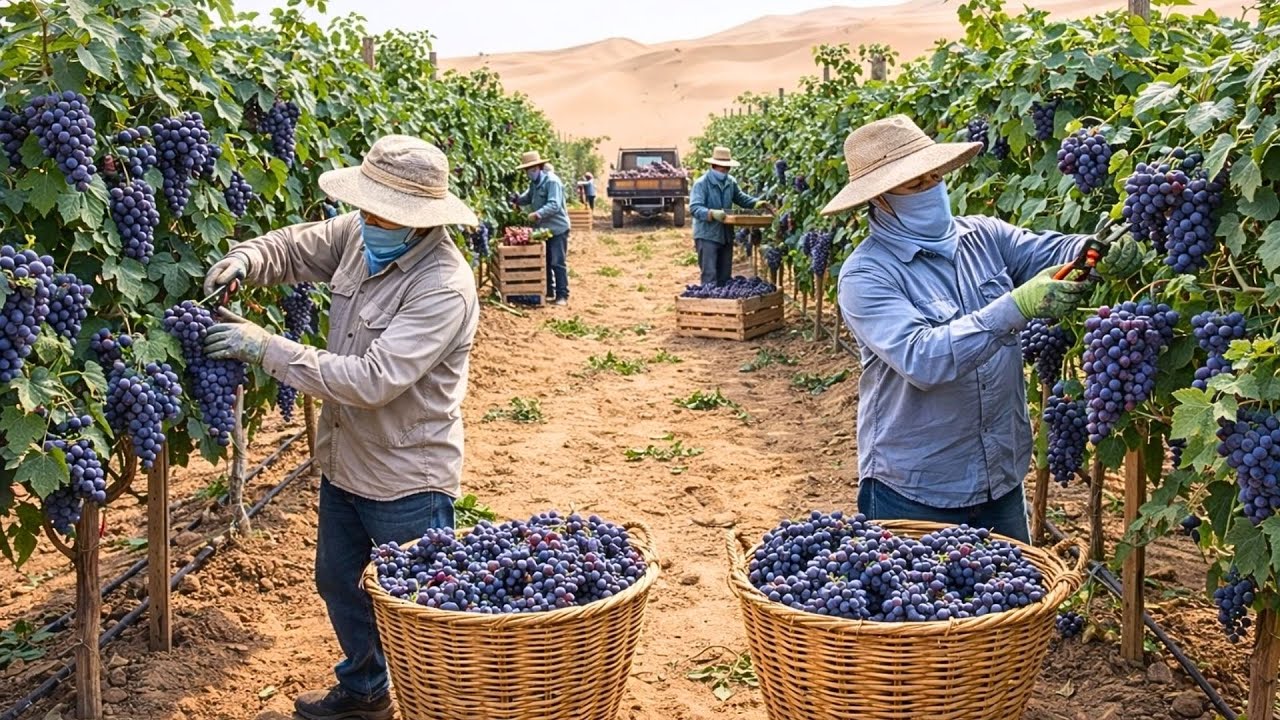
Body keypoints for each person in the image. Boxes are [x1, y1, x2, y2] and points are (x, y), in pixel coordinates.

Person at [200, 135, 481, 720]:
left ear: (417, 219)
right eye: (367, 206)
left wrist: (264, 347)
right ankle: (366, 691)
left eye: (383, 212)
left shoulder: (443, 286)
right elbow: (296, 248)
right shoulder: (360, 233)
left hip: (408, 474)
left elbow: (373, 380)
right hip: (344, 456)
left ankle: (443, 704)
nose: (368, 219)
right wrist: (248, 259)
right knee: (339, 582)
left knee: (420, 605)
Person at [821, 115, 1142, 543]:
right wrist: (1017, 305)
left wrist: (1096, 250)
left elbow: (1051, 248)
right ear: (880, 199)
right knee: (922, 608)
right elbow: (922, 358)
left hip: (1000, 481)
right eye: (914, 184)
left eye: (934, 176)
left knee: (1011, 605)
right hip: (915, 490)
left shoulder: (985, 236)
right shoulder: (867, 275)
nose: (931, 189)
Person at [689, 146, 773, 286]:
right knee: (710, 275)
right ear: (713, 166)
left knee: (725, 276)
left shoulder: (730, 181)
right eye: (722, 168)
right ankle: (710, 305)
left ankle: (724, 305)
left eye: (727, 168)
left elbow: (740, 198)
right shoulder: (701, 184)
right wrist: (711, 213)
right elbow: (694, 208)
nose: (725, 171)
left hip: (726, 235)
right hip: (707, 235)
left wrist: (757, 203)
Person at [514, 151, 571, 305]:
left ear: (537, 167)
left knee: (557, 262)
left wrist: (537, 214)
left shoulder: (552, 182)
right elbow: (527, 198)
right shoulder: (534, 183)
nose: (528, 173)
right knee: (545, 261)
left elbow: (554, 204)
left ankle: (562, 295)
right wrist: (517, 200)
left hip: (558, 228)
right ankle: (548, 291)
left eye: (530, 169)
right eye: (526, 170)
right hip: (544, 230)